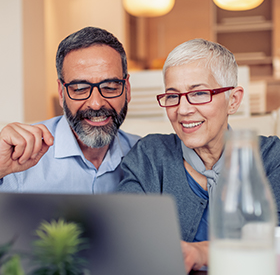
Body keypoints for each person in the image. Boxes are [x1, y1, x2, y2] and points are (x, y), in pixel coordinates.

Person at [117, 39, 280, 272]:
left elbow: (273, 244)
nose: (183, 110)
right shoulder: (149, 156)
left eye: (200, 93)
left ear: (233, 100)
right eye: (172, 96)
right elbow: (126, 235)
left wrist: (202, 253)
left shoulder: (271, 158)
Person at [0, 26, 140, 193]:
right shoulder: (18, 156)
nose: (96, 103)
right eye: (79, 88)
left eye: (110, 87)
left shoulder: (145, 155)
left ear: (127, 89)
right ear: (61, 92)